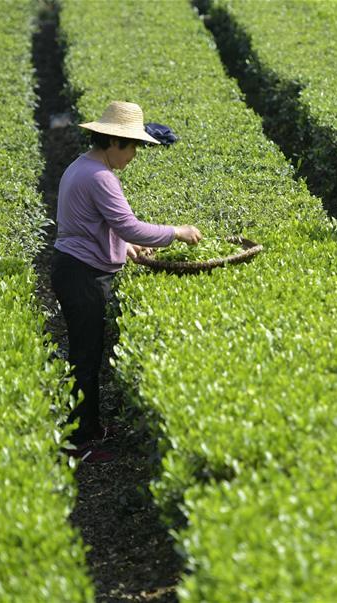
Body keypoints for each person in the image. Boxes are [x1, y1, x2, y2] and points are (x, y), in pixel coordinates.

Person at [51, 100, 202, 461]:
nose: (134, 153)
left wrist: (126, 247)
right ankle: (80, 443)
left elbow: (95, 226)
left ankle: (90, 428)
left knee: (87, 355)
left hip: (74, 268)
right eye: (132, 146)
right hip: (83, 275)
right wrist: (176, 232)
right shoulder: (101, 176)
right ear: (114, 143)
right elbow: (127, 224)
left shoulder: (83, 166)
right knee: (85, 360)